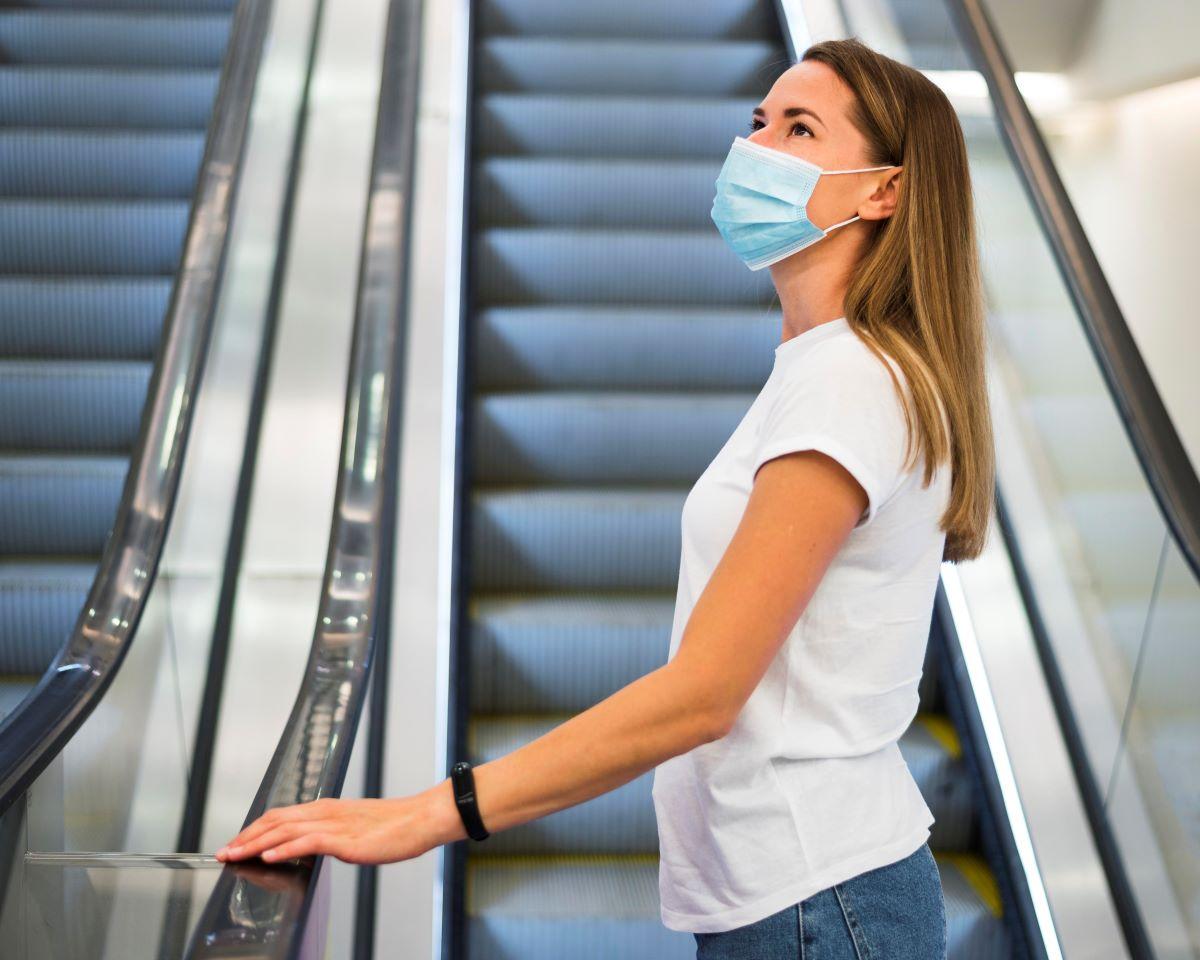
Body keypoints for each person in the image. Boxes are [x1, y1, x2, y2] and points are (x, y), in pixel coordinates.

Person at [217, 35, 994, 959]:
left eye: (799, 129)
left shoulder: (850, 386)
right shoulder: (830, 371)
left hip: (818, 897)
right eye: (756, 123)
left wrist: (434, 813)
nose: (755, 150)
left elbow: (704, 694)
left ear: (884, 190)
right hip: (803, 888)